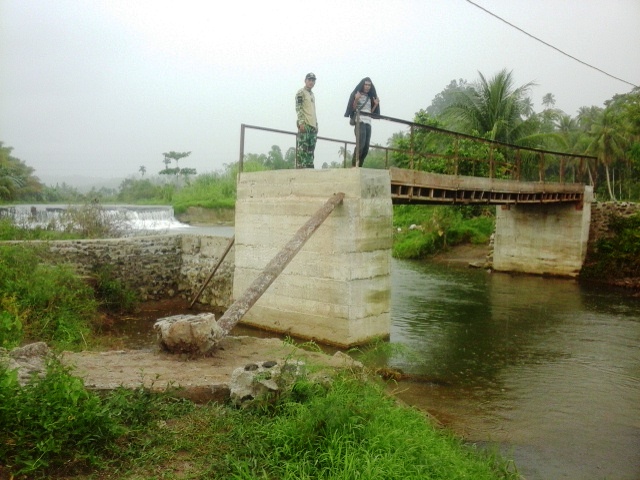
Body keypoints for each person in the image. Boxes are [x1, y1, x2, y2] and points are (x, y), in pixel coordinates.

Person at [344, 77, 380, 167]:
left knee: (366, 148)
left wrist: (375, 105)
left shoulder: (369, 97)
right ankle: (354, 165)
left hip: (368, 122)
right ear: (362, 85)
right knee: (361, 145)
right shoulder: (358, 94)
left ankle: (359, 165)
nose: (367, 87)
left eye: (369, 85)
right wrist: (356, 99)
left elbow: (370, 113)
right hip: (360, 121)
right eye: (366, 84)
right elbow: (353, 109)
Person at [295, 72, 318, 168]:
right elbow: (298, 107)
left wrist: (316, 125)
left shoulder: (312, 94)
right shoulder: (301, 92)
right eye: (309, 80)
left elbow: (313, 110)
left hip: (312, 126)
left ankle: (309, 169)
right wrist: (301, 123)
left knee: (310, 151)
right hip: (305, 125)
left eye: (313, 80)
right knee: (303, 150)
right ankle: (301, 170)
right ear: (305, 81)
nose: (311, 82)